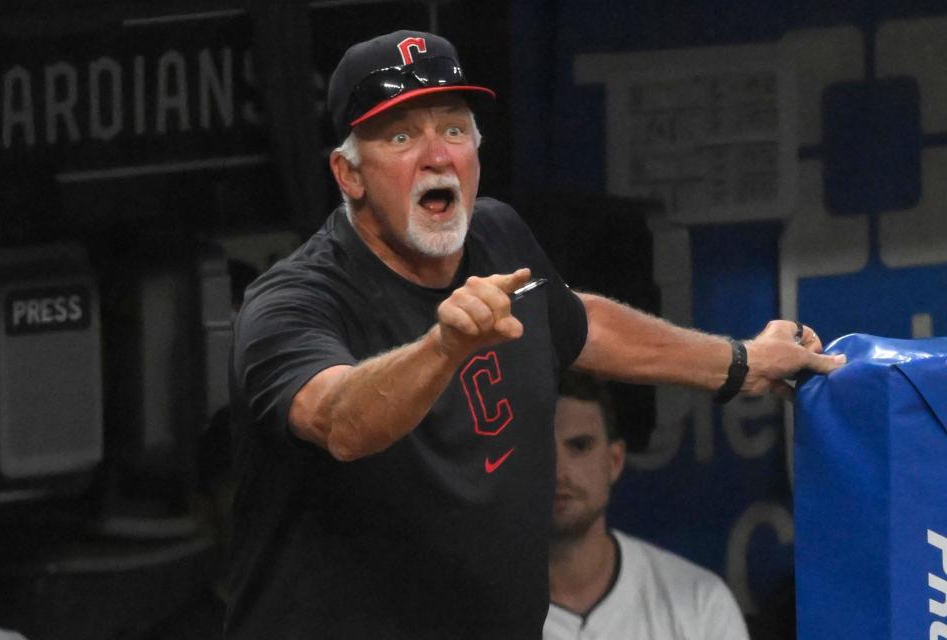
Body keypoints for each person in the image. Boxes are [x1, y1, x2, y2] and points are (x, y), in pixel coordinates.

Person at [225, 29, 843, 639]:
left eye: (455, 129)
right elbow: (339, 421)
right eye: (402, 136)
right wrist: (443, 348)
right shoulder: (295, 300)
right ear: (349, 174)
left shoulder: (497, 236)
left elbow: (578, 322)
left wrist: (740, 362)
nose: (437, 155)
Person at [544, 371, 749, 640]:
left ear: (614, 460)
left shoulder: (701, 602)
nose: (560, 471)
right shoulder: (477, 612)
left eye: (580, 446)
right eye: (540, 450)